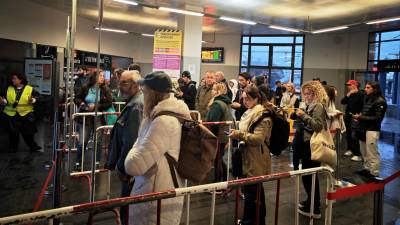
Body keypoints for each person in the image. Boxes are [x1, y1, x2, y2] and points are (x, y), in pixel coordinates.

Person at [124, 71, 191, 225]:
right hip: (158, 185)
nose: (143, 95)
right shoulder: (161, 116)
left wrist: (135, 148)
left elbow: (133, 165)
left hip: (156, 191)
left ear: (153, 93)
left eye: (145, 92)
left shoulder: (163, 121)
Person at [228, 84, 273, 225]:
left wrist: (238, 134)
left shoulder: (262, 115)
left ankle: (251, 221)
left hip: (256, 158)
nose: (244, 102)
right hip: (249, 156)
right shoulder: (250, 112)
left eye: (247, 99)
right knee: (252, 192)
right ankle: (254, 220)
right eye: (243, 99)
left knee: (253, 193)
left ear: (256, 99)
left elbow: (258, 139)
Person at [105, 70, 143, 225]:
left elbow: (131, 142)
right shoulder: (134, 102)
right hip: (131, 166)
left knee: (127, 207)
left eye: (124, 83)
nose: (119, 86)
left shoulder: (136, 106)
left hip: (130, 168)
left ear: (135, 85)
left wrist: (123, 167)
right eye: (120, 82)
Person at [291, 80, 328, 219]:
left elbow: (317, 126)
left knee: (311, 175)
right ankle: (310, 201)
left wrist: (302, 115)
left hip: (311, 145)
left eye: (309, 94)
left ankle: (315, 207)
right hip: (304, 143)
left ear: (316, 93)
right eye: (304, 94)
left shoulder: (318, 106)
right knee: (307, 175)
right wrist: (297, 115)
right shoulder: (307, 105)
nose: (306, 96)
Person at [74, 71, 115, 170]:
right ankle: (78, 163)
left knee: (98, 142)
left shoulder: (105, 89)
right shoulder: (85, 88)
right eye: (100, 76)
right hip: (86, 117)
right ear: (94, 77)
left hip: (98, 118)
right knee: (82, 142)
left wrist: (96, 106)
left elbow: (109, 103)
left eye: (103, 76)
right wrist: (83, 104)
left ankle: (97, 162)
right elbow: (77, 99)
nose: (102, 78)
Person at [353, 81, 387, 181]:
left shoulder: (380, 101)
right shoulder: (367, 98)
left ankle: (374, 173)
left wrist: (361, 117)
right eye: (366, 87)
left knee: (372, 152)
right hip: (363, 129)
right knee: (364, 152)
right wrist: (360, 118)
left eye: (368, 87)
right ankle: (367, 169)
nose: (365, 89)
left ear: (374, 89)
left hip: (372, 130)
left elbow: (377, 118)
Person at [0, 73, 41, 152]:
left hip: (26, 114)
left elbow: (38, 97)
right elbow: (4, 98)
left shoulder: (29, 89)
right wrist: (4, 102)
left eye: (14, 78)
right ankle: (13, 147)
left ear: (20, 80)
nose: (13, 80)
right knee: (13, 133)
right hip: (12, 114)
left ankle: (32, 146)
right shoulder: (9, 89)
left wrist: (33, 100)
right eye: (12, 78)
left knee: (28, 133)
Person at [205, 82, 232, 183]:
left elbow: (213, 123)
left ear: (218, 91)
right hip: (223, 135)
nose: (211, 91)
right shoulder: (225, 102)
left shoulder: (217, 104)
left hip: (218, 136)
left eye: (213, 89)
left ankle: (218, 183)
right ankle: (223, 181)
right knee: (219, 159)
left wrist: (212, 137)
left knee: (218, 160)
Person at [341, 80, 364, 161]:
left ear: (355, 85)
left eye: (349, 85)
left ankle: (357, 154)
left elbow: (363, 105)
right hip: (348, 116)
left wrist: (360, 115)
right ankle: (350, 149)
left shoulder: (361, 94)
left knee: (355, 136)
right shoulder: (350, 94)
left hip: (356, 117)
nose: (348, 86)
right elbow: (342, 102)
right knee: (348, 134)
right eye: (347, 85)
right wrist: (348, 94)